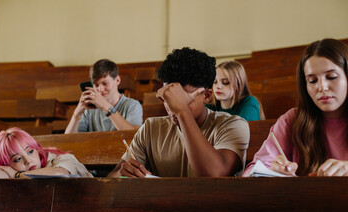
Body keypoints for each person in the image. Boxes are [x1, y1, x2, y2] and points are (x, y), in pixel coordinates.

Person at [108, 47, 250, 178]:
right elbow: (113, 177)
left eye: (181, 100)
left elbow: (215, 174)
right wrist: (124, 174)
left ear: (206, 95)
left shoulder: (233, 125)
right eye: (168, 99)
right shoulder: (151, 129)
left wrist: (182, 111)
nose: (171, 108)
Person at [243, 38, 348, 177]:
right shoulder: (292, 120)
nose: (322, 87)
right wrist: (272, 172)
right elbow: (252, 171)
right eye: (312, 81)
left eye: (331, 77)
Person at [65, 59, 143, 133]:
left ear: (117, 80)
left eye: (105, 83)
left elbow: (134, 136)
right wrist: (78, 112)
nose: (100, 89)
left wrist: (106, 106)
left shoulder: (132, 105)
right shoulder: (89, 109)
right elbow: (67, 141)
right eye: (96, 85)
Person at [0, 127, 93, 178]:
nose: (28, 161)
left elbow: (59, 173)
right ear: (7, 165)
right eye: (18, 159)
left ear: (37, 149)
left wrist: (16, 174)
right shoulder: (12, 172)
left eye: (30, 151)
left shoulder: (62, 158)